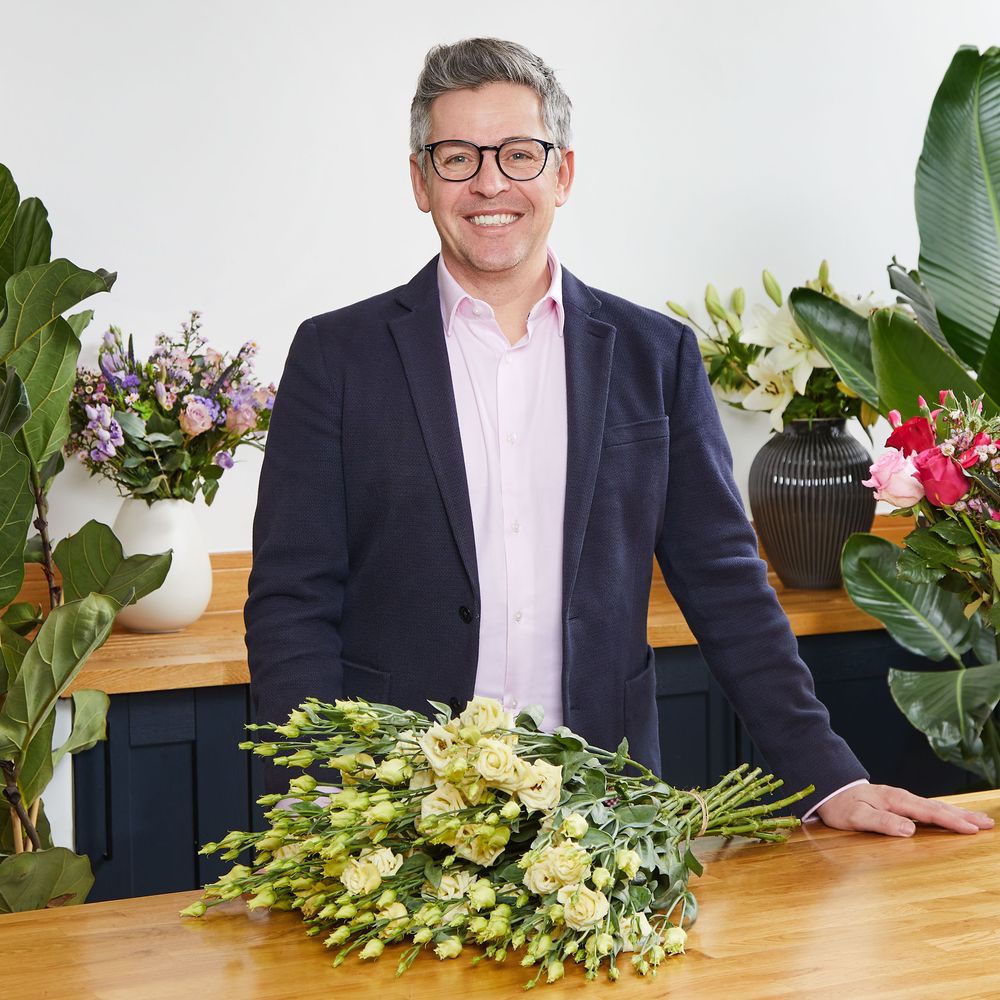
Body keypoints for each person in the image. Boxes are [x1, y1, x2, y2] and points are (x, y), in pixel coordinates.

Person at [245, 37, 992, 838]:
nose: (490, 182)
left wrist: (828, 776)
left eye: (519, 154)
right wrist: (316, 788)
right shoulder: (337, 356)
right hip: (392, 809)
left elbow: (725, 583)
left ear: (562, 174)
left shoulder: (655, 354)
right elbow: (293, 597)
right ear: (420, 181)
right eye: (457, 157)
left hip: (605, 813)